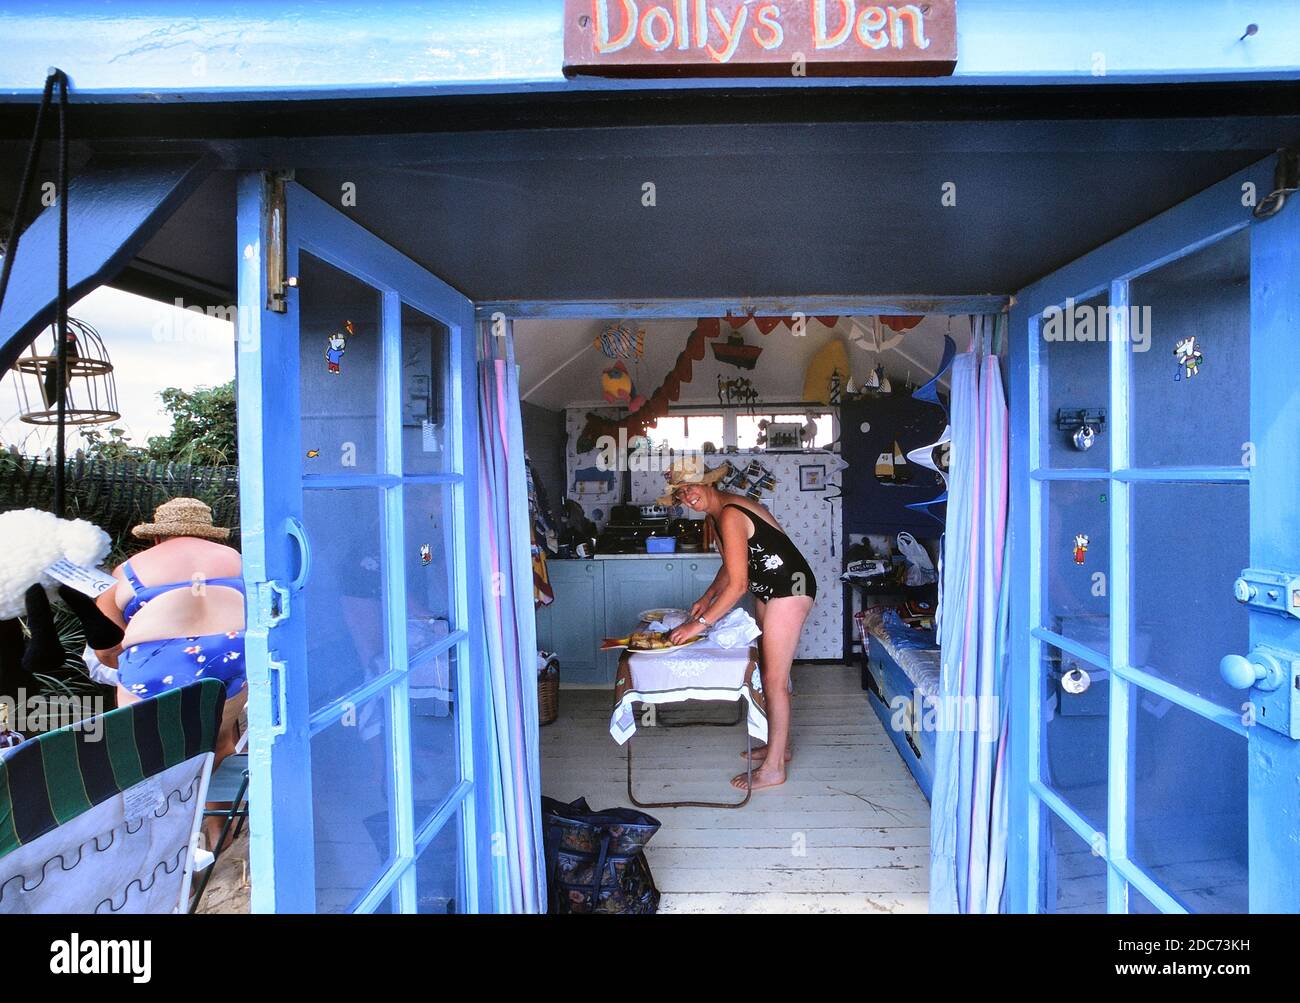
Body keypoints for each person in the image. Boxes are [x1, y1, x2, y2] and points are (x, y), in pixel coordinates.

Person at [659, 460, 816, 792]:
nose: (687, 497)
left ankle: (773, 768)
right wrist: (707, 596)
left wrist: (698, 625)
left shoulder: (729, 514)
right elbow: (731, 569)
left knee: (773, 680)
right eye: (681, 493)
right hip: (772, 590)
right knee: (773, 673)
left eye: (691, 487)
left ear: (709, 484)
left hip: (790, 589)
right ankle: (780, 747)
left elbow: (739, 585)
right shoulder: (721, 514)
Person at [94, 498, 247, 779]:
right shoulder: (239, 560)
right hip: (230, 654)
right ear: (209, 533)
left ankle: (163, 819)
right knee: (218, 746)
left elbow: (107, 650)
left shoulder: (128, 569)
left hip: (154, 663)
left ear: (156, 536)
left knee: (143, 752)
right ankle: (214, 824)